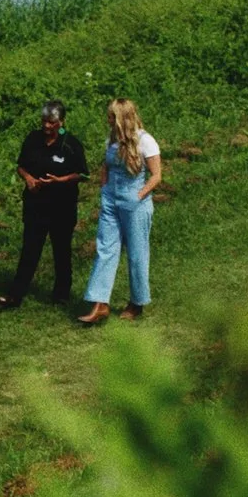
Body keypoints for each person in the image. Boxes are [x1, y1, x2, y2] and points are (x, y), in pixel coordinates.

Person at [0, 99, 89, 309]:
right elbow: (20, 166)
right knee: (30, 249)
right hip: (35, 204)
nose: (47, 127)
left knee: (61, 250)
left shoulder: (71, 144)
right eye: (44, 122)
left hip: (62, 206)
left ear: (62, 122)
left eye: (51, 123)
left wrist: (61, 181)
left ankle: (61, 294)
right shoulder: (33, 139)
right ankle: (16, 294)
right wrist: (28, 178)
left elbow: (83, 174)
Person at [78, 98, 160, 326]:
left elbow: (156, 175)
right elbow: (105, 166)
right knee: (105, 249)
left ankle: (137, 302)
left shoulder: (146, 141)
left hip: (135, 203)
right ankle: (99, 303)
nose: (108, 120)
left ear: (123, 117)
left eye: (112, 116)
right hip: (111, 202)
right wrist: (104, 190)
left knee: (137, 253)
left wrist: (140, 195)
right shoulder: (111, 140)